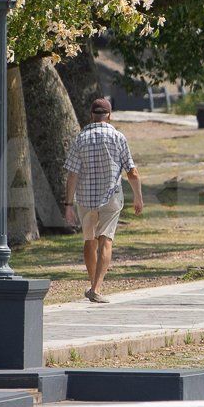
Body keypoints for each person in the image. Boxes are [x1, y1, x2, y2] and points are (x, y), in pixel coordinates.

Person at [64, 98, 143, 303]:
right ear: (109, 115)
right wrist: (138, 197)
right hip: (111, 197)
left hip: (86, 198)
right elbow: (132, 172)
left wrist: (68, 205)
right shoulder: (118, 137)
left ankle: (93, 285)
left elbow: (72, 174)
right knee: (106, 240)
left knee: (89, 241)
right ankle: (96, 288)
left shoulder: (81, 138)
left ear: (91, 115)